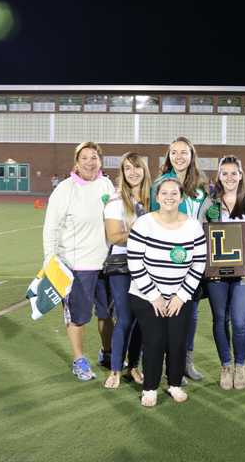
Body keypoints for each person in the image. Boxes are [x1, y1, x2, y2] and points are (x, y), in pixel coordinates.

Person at [127, 177, 207, 406]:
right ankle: (149, 388)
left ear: (181, 197)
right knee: (154, 340)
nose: (169, 197)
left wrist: (181, 296)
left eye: (174, 193)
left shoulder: (193, 225)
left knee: (177, 341)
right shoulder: (144, 223)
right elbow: (134, 262)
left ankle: (174, 384)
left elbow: (198, 263)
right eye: (164, 193)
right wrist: (155, 296)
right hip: (146, 296)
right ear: (157, 196)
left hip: (180, 298)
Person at [42, 142, 115, 381]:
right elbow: (51, 227)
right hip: (77, 266)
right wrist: (49, 260)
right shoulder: (65, 189)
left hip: (105, 264)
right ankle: (79, 360)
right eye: (85, 157)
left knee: (106, 314)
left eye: (94, 157)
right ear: (77, 161)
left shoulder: (106, 184)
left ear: (100, 161)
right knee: (78, 317)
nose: (90, 162)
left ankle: (108, 353)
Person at [198, 156, 245, 390]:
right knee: (220, 319)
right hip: (217, 273)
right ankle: (225, 364)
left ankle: (240, 365)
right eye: (224, 173)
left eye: (233, 173)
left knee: (239, 321)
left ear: (240, 175)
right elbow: (200, 234)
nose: (229, 177)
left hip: (243, 272)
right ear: (218, 176)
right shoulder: (209, 203)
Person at [150, 136, 207, 382]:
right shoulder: (161, 184)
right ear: (169, 156)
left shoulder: (201, 186)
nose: (179, 157)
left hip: (193, 257)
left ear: (192, 156)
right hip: (167, 259)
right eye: (174, 153)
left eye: (184, 152)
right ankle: (169, 364)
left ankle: (186, 362)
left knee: (190, 314)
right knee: (167, 313)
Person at [103, 152, 151, 389]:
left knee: (141, 319)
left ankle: (133, 366)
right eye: (128, 168)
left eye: (137, 167)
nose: (133, 172)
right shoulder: (115, 201)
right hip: (122, 265)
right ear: (122, 172)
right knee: (124, 318)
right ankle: (115, 369)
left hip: (147, 265)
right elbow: (114, 236)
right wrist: (143, 233)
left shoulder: (152, 199)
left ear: (144, 170)